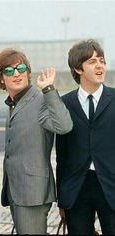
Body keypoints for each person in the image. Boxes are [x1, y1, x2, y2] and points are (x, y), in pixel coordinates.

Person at [0, 48, 72, 234]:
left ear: (28, 72)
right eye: (9, 71)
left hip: (33, 193)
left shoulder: (40, 100)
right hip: (16, 191)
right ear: (1, 78)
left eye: (21, 68)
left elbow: (64, 125)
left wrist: (49, 89)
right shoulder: (14, 103)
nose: (17, 74)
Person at [56, 39, 115, 234]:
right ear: (78, 69)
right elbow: (62, 155)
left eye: (102, 61)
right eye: (92, 62)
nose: (100, 66)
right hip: (77, 189)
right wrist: (62, 198)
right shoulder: (64, 103)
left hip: (111, 185)